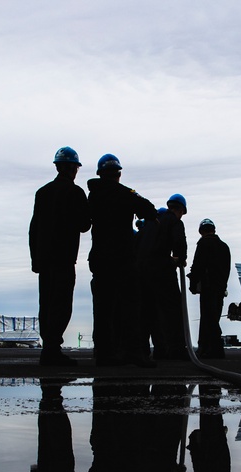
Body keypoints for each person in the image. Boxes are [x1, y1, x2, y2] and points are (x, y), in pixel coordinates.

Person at [87, 154, 157, 366]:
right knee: (130, 307)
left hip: (100, 259)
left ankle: (103, 353)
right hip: (123, 260)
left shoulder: (93, 195)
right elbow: (149, 209)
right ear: (118, 174)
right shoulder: (125, 194)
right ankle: (133, 352)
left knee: (102, 308)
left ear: (100, 174)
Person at [28, 146, 91, 366]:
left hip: (44, 259)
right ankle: (53, 349)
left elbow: (34, 227)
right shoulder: (75, 193)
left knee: (46, 303)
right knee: (61, 304)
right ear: (73, 168)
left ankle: (49, 348)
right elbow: (84, 225)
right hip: (64, 258)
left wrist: (34, 259)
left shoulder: (42, 193)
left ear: (57, 167)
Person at [135, 194, 189, 361]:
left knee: (147, 312)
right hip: (162, 271)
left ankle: (145, 351)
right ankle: (176, 350)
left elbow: (140, 244)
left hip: (142, 271)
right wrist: (180, 258)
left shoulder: (151, 223)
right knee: (172, 310)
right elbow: (179, 242)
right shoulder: (174, 221)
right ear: (180, 209)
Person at [187, 218, 231, 359]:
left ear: (201, 231)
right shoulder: (224, 247)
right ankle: (211, 348)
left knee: (207, 317)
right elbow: (226, 270)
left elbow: (198, 265)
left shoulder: (203, 244)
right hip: (219, 289)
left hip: (208, 287)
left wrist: (193, 284)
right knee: (214, 317)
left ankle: (211, 349)